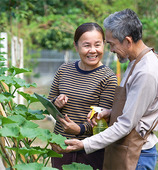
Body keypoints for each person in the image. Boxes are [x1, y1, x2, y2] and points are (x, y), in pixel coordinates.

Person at [53, 9, 158, 169]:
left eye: (112, 44)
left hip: (138, 155)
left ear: (127, 41)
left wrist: (84, 144)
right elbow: (135, 109)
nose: (111, 49)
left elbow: (126, 125)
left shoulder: (146, 72)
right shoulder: (136, 62)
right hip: (126, 148)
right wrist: (111, 112)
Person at [48, 22, 117, 170]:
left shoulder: (108, 78)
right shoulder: (64, 69)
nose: (93, 51)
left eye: (97, 45)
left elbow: (104, 122)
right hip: (61, 146)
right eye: (86, 45)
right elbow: (49, 103)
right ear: (76, 46)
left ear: (104, 45)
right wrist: (56, 102)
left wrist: (79, 129)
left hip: (90, 151)